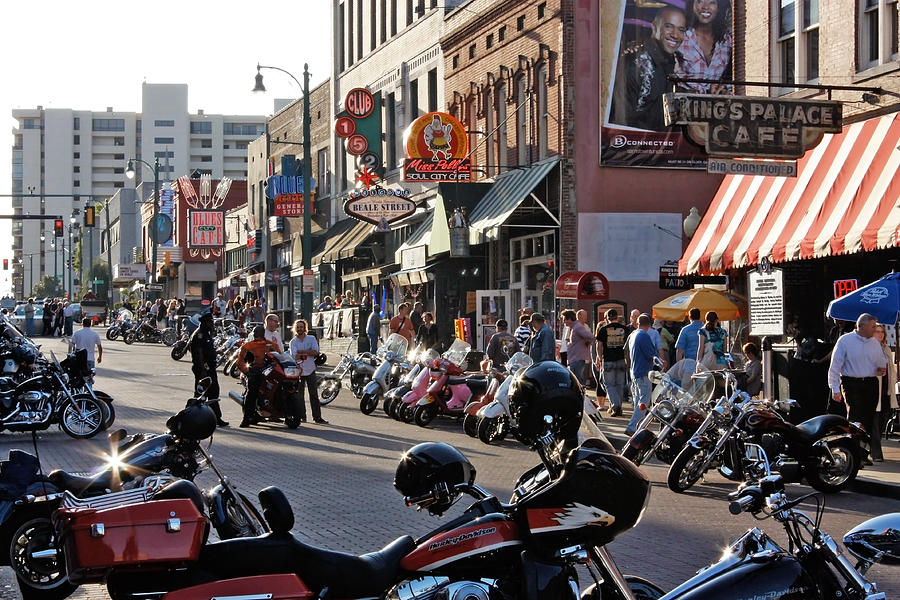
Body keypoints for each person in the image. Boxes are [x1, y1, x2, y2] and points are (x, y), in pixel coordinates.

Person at [611, 5, 687, 131]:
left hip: (665, 146)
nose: (675, 34)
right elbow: (621, 119)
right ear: (654, 27)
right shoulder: (634, 64)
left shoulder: (673, 63)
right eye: (668, 26)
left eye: (681, 29)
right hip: (637, 145)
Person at [828, 314, 887, 459]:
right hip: (851, 382)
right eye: (873, 326)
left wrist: (882, 368)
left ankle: (863, 453)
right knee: (855, 418)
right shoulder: (845, 341)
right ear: (862, 326)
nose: (875, 330)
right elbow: (835, 366)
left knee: (868, 418)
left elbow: (881, 363)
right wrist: (835, 388)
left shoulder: (874, 343)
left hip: (871, 382)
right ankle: (853, 452)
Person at [675, 0, 733, 94]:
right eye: (700, 1)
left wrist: (722, 88)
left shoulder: (726, 41)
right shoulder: (682, 37)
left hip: (716, 106)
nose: (705, 7)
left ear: (718, 7)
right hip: (683, 104)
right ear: (692, 4)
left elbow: (732, 79)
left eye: (712, 2)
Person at [189, 312, 229, 427]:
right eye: (211, 322)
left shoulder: (205, 333)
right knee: (203, 393)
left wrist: (216, 351)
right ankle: (194, 416)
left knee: (211, 392)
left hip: (208, 368)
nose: (213, 324)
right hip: (204, 369)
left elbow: (207, 350)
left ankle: (215, 417)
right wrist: (203, 370)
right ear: (205, 322)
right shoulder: (200, 334)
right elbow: (198, 354)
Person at [237, 325, 276, 428]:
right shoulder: (251, 346)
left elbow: (240, 363)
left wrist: (247, 372)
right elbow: (240, 363)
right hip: (259, 373)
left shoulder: (268, 345)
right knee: (252, 394)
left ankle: (247, 419)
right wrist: (249, 373)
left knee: (252, 395)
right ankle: (247, 418)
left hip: (267, 373)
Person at [625, 314, 658, 435]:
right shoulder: (644, 336)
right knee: (644, 401)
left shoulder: (633, 334)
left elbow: (626, 351)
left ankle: (637, 425)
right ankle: (633, 426)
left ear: (638, 323)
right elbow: (651, 353)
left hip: (634, 371)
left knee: (638, 401)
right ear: (649, 325)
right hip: (644, 372)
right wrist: (660, 362)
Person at [290, 319, 327, 424]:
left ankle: (317, 417)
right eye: (298, 327)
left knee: (314, 395)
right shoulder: (293, 342)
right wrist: (307, 353)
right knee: (299, 395)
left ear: (305, 327)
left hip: (310, 369)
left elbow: (316, 352)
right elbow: (295, 356)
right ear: (295, 328)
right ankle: (302, 416)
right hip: (299, 371)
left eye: (301, 327)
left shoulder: (311, 339)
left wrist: (302, 352)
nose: (300, 329)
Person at [872, 323, 897, 462]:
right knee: (875, 422)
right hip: (874, 390)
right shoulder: (869, 348)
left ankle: (872, 448)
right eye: (877, 331)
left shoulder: (886, 348)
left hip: (886, 390)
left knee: (882, 420)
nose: (880, 334)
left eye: (882, 332)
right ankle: (876, 453)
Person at [596, 309, 628, 416]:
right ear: (617, 317)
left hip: (608, 360)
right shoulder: (625, 329)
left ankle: (616, 405)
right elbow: (628, 346)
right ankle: (618, 406)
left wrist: (600, 358)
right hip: (621, 360)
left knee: (609, 384)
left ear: (607, 318)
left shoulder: (603, 329)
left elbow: (599, 345)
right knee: (619, 384)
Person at [562, 309, 594, 386]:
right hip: (575, 358)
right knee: (575, 379)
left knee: (577, 380)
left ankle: (580, 395)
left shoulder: (577, 327)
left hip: (578, 358)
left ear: (569, 319)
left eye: (565, 319)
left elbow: (591, 336)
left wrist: (588, 341)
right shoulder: (574, 327)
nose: (564, 322)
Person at [674, 308, 703, 386]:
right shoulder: (705, 328)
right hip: (704, 365)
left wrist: (679, 367)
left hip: (689, 365)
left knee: (687, 391)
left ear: (689, 317)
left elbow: (679, 351)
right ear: (700, 316)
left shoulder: (685, 330)